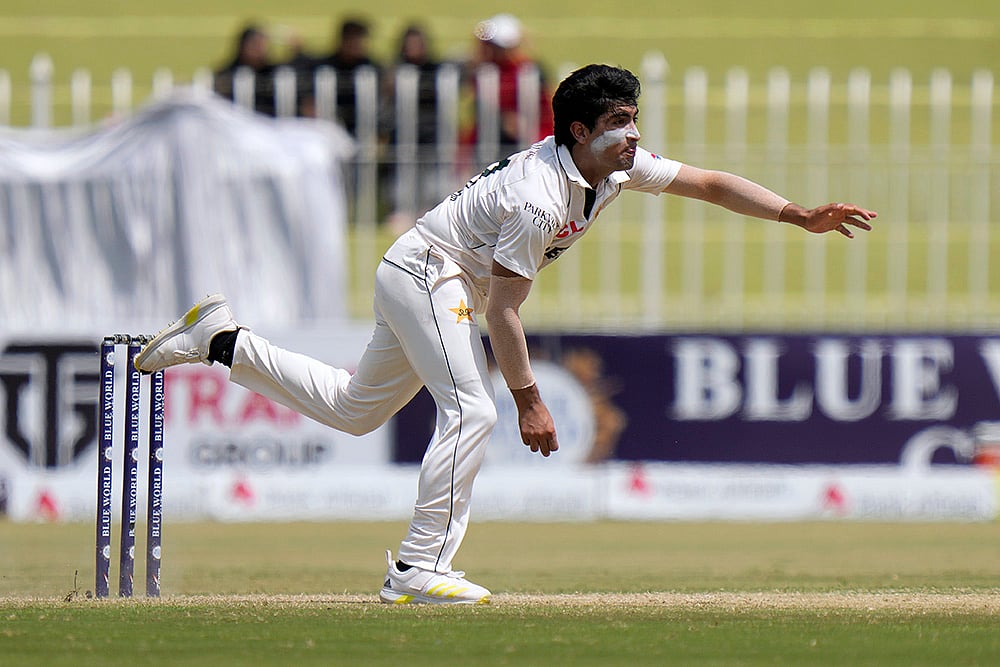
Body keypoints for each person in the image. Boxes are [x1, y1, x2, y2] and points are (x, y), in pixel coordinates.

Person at [134, 64, 876, 605]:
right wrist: (528, 399)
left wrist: (797, 214)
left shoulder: (614, 168)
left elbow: (706, 182)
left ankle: (222, 340)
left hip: (431, 273)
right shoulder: (536, 198)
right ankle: (416, 568)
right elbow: (504, 312)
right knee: (475, 410)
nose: (634, 134)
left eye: (634, 117)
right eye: (620, 121)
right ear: (579, 130)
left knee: (355, 410)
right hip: (431, 274)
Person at [463, 14, 554, 162]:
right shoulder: (485, 71)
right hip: (490, 138)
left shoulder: (529, 71)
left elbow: (546, 109)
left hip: (530, 140)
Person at [213, 23, 279, 116]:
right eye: (254, 44)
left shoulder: (274, 74)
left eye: (262, 44)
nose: (259, 49)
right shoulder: (225, 76)